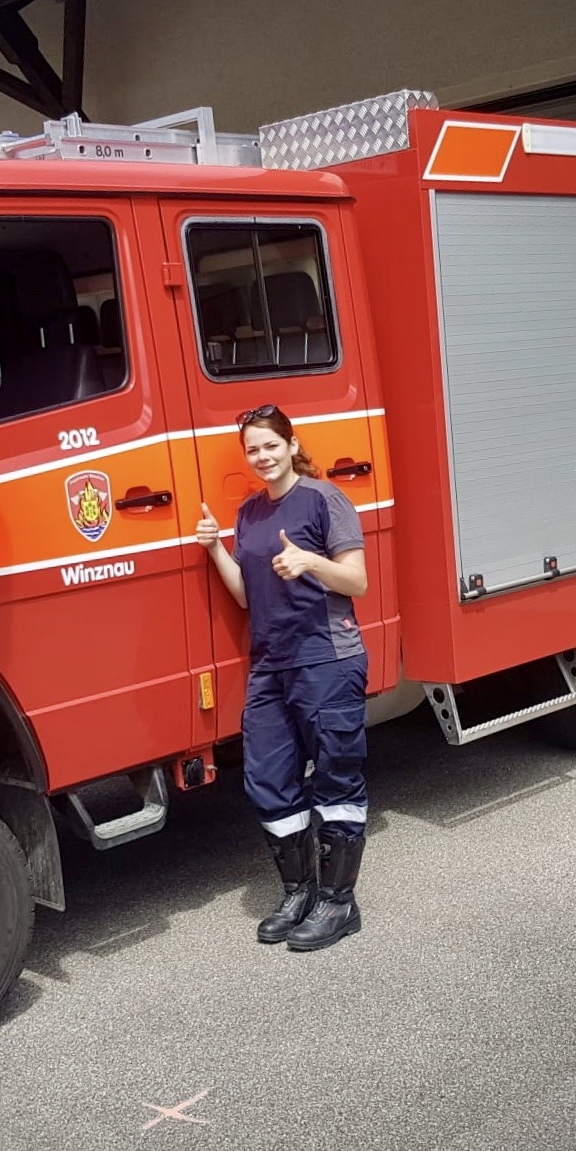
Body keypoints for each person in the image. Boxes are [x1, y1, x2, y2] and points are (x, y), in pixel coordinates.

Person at [195, 405, 370, 951]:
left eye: (271, 445)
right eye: (253, 449)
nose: (263, 456)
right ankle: (299, 893)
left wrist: (310, 562)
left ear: (292, 446)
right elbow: (247, 596)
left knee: (336, 779)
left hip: (327, 658)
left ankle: (338, 903)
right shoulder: (249, 513)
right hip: (271, 664)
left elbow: (357, 581)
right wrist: (215, 548)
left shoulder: (324, 499)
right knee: (268, 780)